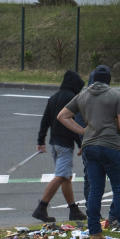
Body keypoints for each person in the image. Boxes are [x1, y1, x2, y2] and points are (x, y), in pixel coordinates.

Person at [57, 65, 120, 239]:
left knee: (95, 190)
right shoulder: (116, 96)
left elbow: (63, 116)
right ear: (109, 80)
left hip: (90, 147)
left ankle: (95, 234)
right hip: (110, 146)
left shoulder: (82, 95)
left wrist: (83, 131)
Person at [35, 70, 87, 222]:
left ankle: (73, 210)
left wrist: (40, 141)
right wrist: (81, 143)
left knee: (66, 177)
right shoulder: (72, 99)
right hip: (65, 144)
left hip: (54, 143)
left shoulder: (53, 98)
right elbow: (75, 124)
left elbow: (45, 121)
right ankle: (41, 207)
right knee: (61, 176)